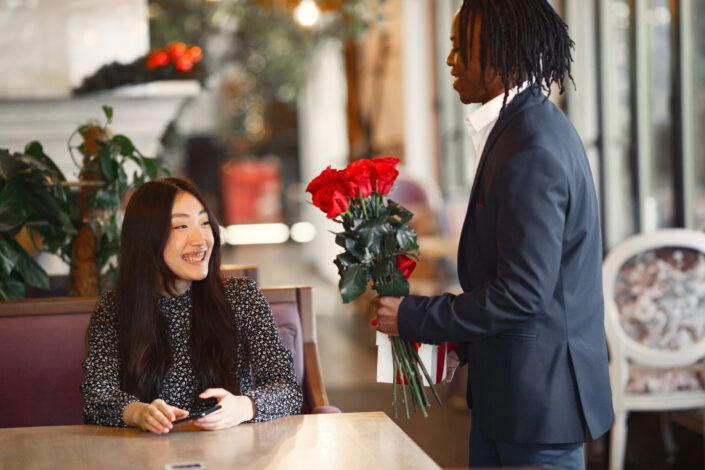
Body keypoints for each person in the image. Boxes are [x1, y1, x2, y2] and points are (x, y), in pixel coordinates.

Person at [375, 1, 613, 468]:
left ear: (500, 52)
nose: (450, 61)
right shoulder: (521, 127)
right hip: (511, 398)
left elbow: (523, 293)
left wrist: (415, 316)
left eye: (459, 48)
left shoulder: (532, 145)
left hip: (538, 407)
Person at [81, 177, 302, 433]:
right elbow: (96, 397)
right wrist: (139, 413)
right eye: (181, 226)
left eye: (205, 222)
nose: (201, 239)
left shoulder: (241, 298)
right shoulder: (114, 309)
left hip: (229, 453)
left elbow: (286, 389)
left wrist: (243, 406)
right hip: (147, 455)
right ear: (145, 238)